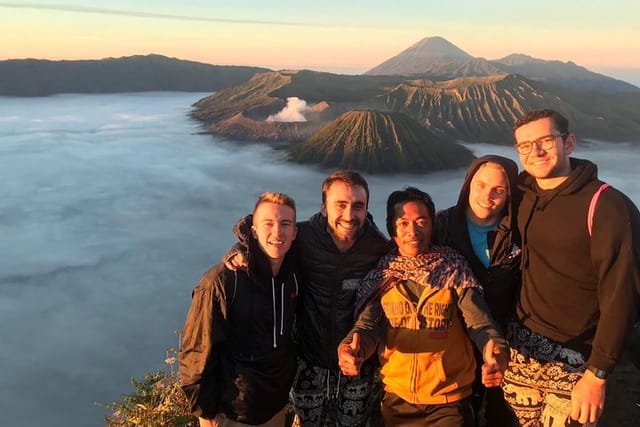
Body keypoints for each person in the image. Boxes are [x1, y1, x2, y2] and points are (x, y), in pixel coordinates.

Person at [503, 109, 640, 426]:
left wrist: (597, 374)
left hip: (577, 360)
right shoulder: (523, 196)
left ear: (569, 143)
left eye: (546, 140)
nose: (535, 151)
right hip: (521, 351)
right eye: (524, 145)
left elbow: (623, 294)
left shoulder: (606, 206)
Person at [224, 171, 391, 426]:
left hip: (356, 364)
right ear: (324, 207)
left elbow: (378, 298)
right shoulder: (305, 238)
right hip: (308, 362)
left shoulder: (377, 247)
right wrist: (242, 249)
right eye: (340, 205)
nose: (349, 215)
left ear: (367, 208)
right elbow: (266, 228)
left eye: (357, 206)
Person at [338, 186, 509, 427]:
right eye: (403, 223)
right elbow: (368, 328)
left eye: (422, 222)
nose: (413, 231)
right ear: (392, 229)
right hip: (398, 400)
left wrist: (496, 351)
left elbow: (480, 323)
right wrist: (353, 349)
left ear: (432, 225)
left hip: (450, 402)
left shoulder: (453, 271)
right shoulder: (383, 277)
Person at [179, 192, 300, 427]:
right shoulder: (223, 281)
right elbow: (196, 351)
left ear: (295, 233)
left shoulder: (293, 276)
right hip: (230, 415)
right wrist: (205, 411)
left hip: (274, 409)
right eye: (268, 224)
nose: (277, 232)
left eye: (285, 224)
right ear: (253, 232)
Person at [434, 155, 521, 426]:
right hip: (453, 340)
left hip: (506, 340)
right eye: (481, 185)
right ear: (468, 183)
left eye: (499, 189)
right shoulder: (443, 226)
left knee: (501, 413)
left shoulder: (519, 230)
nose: (488, 196)